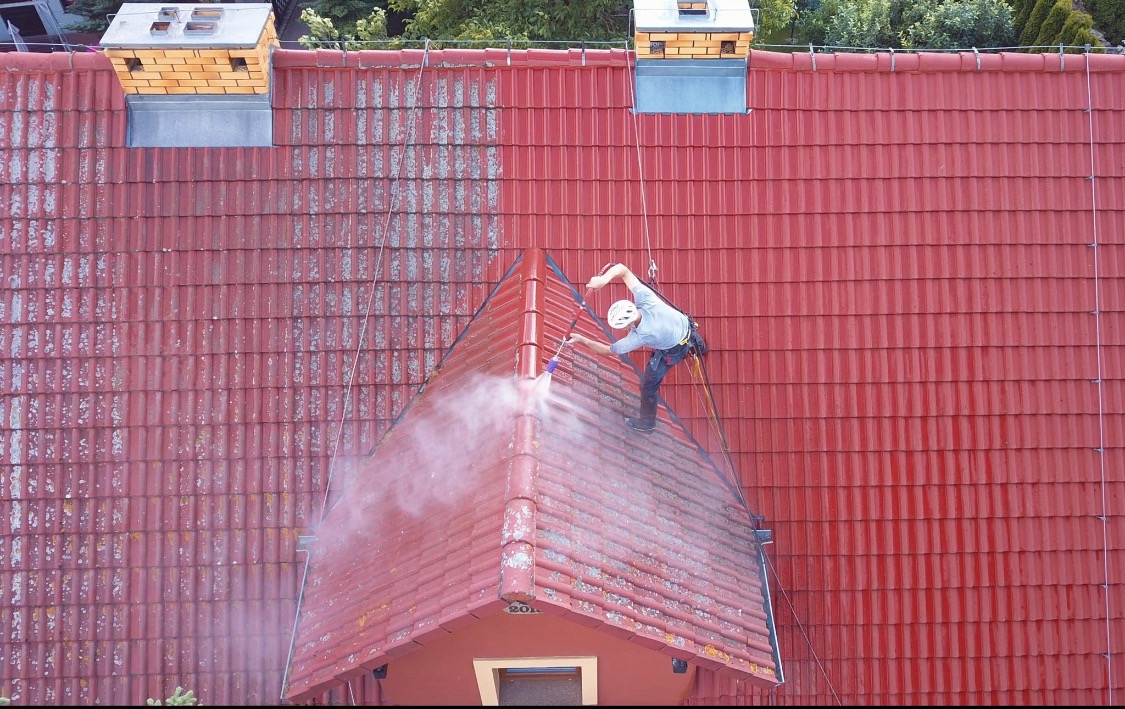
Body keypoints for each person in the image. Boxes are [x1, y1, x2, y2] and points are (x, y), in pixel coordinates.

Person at [566, 263, 693, 433]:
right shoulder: (645, 298)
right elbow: (623, 269)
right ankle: (697, 343)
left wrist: (581, 339)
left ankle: (647, 424)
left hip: (674, 349)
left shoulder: (640, 336)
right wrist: (603, 280)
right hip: (685, 324)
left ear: (629, 323)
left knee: (648, 385)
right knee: (689, 335)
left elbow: (608, 350)